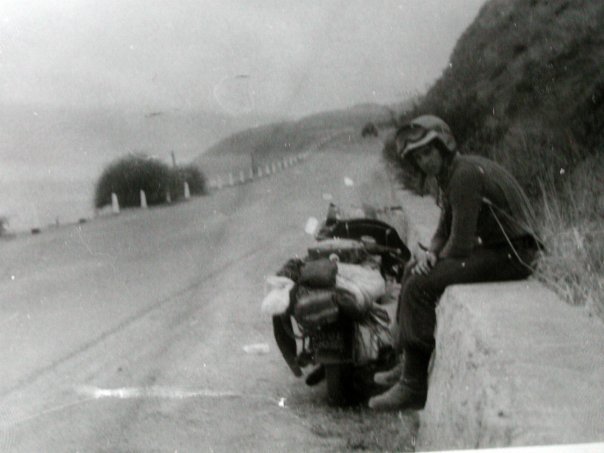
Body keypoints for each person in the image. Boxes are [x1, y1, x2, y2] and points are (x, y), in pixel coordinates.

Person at [368, 115, 542, 411]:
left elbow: (460, 245)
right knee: (412, 269)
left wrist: (433, 260)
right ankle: (407, 363)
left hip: (514, 254)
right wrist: (430, 253)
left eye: (428, 152)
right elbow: (443, 231)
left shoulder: (463, 175)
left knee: (419, 286)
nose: (424, 161)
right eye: (418, 157)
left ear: (443, 146)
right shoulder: (451, 174)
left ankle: (413, 385)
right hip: (502, 250)